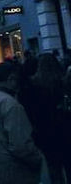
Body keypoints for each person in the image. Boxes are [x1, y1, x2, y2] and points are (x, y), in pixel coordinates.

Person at [23, 53, 66, 183]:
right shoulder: (62, 82)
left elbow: (31, 110)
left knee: (53, 165)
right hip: (65, 127)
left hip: (45, 131)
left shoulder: (33, 86)